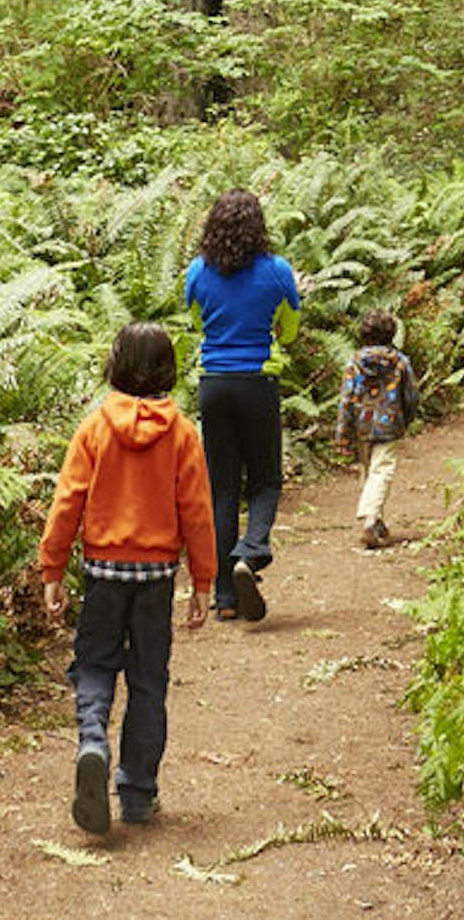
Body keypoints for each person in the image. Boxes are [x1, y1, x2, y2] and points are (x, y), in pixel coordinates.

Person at [35, 321, 218, 835]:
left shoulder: (94, 428)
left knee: (94, 665)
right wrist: (203, 581)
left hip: (102, 574)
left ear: (114, 366)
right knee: (147, 681)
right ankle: (137, 794)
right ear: (169, 371)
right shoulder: (182, 434)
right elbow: (198, 512)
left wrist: (53, 569)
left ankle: (93, 740)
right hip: (156, 578)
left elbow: (67, 501)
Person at [181, 187, 300, 622]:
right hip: (258, 383)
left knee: (222, 488)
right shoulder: (278, 271)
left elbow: (197, 323)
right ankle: (250, 553)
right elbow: (288, 331)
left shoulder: (197, 271)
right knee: (266, 480)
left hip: (213, 384)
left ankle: (225, 598)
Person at [337, 308, 416, 549]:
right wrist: (407, 419)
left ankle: (376, 521)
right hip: (390, 424)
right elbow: (411, 395)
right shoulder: (400, 362)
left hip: (362, 424)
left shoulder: (354, 362)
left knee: (370, 471)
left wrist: (343, 431)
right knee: (382, 471)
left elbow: (346, 398)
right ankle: (371, 520)